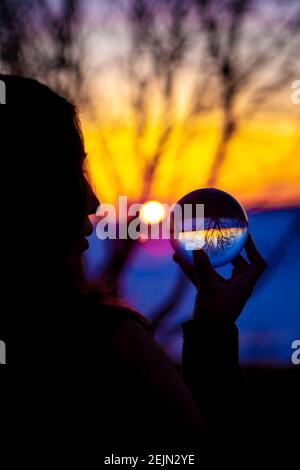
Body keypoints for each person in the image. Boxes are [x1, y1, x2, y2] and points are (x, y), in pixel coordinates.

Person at [0, 75, 267, 456]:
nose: (93, 201)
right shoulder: (108, 344)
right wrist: (213, 336)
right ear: (32, 193)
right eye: (73, 174)